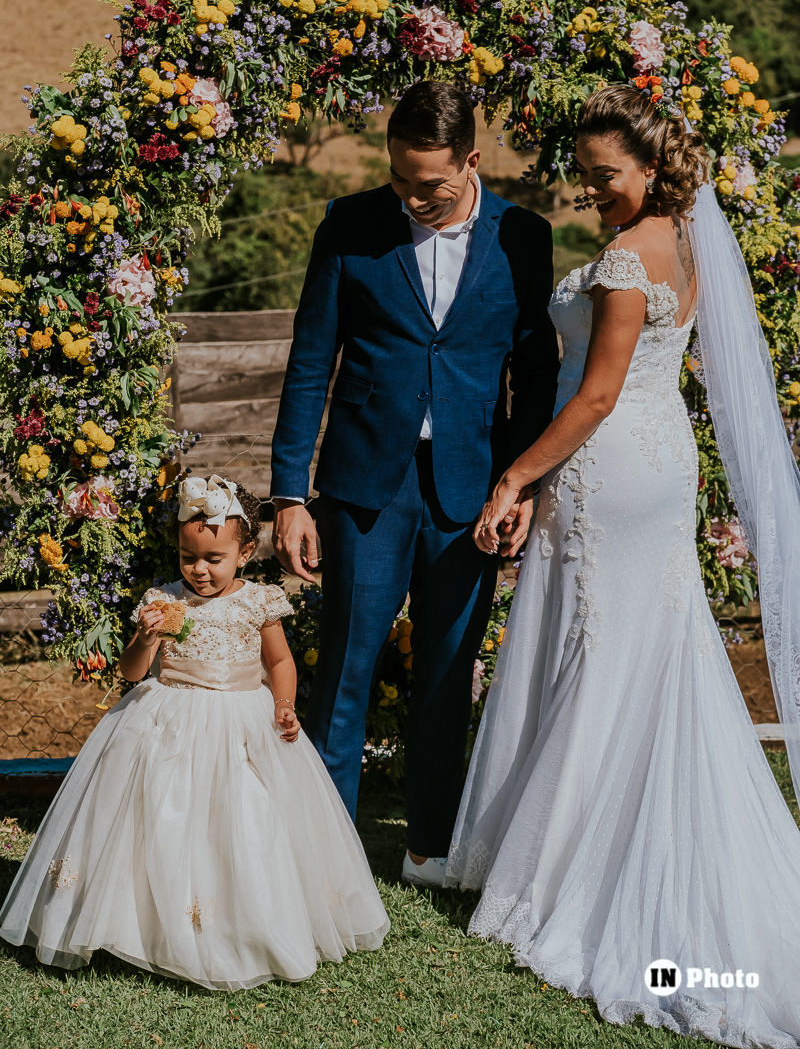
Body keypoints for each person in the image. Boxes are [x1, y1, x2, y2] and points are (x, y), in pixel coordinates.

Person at [445, 84, 800, 1046]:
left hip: (607, 464)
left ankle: (566, 868)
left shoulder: (625, 263)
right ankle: (577, 835)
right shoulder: (686, 240)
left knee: (595, 653)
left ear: (651, 168)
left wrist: (514, 479)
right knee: (639, 650)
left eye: (606, 176)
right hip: (660, 464)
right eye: (589, 176)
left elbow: (596, 395)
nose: (593, 191)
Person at [270, 80, 559, 886]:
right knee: (344, 671)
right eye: (399, 177)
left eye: (428, 182)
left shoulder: (525, 237)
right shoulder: (349, 225)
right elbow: (308, 364)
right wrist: (290, 494)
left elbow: (535, 373)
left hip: (474, 491)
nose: (411, 196)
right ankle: (321, 854)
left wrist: (522, 482)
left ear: (471, 160)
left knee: (446, 672)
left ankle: (429, 847)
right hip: (364, 489)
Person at [0, 475, 388, 990]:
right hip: (167, 718)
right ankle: (146, 927)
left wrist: (285, 704)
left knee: (245, 820)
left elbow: (281, 662)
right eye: (189, 558)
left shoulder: (258, 602)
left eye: (213, 559)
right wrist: (145, 636)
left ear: (245, 552)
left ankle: (244, 925)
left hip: (243, 721)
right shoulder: (161, 600)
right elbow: (133, 672)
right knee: (160, 815)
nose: (199, 571)